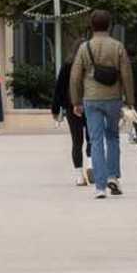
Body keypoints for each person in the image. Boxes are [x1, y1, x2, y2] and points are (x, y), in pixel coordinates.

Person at [68, 10, 135, 198]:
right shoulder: (118, 46)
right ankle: (113, 177)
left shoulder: (84, 48)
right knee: (112, 137)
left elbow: (75, 77)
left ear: (91, 26)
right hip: (113, 98)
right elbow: (127, 74)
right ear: (109, 25)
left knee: (95, 140)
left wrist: (76, 101)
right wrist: (129, 101)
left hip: (91, 99)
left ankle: (100, 186)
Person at [52, 52, 89, 186]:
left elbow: (59, 88)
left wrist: (56, 109)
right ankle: (91, 167)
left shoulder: (67, 66)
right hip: (90, 104)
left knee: (77, 141)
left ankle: (79, 176)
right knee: (92, 138)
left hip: (71, 106)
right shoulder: (89, 65)